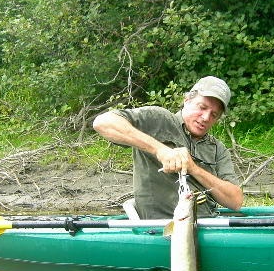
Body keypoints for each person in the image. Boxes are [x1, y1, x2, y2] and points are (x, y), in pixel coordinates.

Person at [92, 76, 243, 219]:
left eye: (214, 115)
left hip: (208, 227)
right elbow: (103, 123)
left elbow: (235, 201)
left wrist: (194, 169)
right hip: (160, 228)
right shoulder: (158, 119)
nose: (205, 117)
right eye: (202, 107)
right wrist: (160, 150)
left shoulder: (218, 149)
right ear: (187, 100)